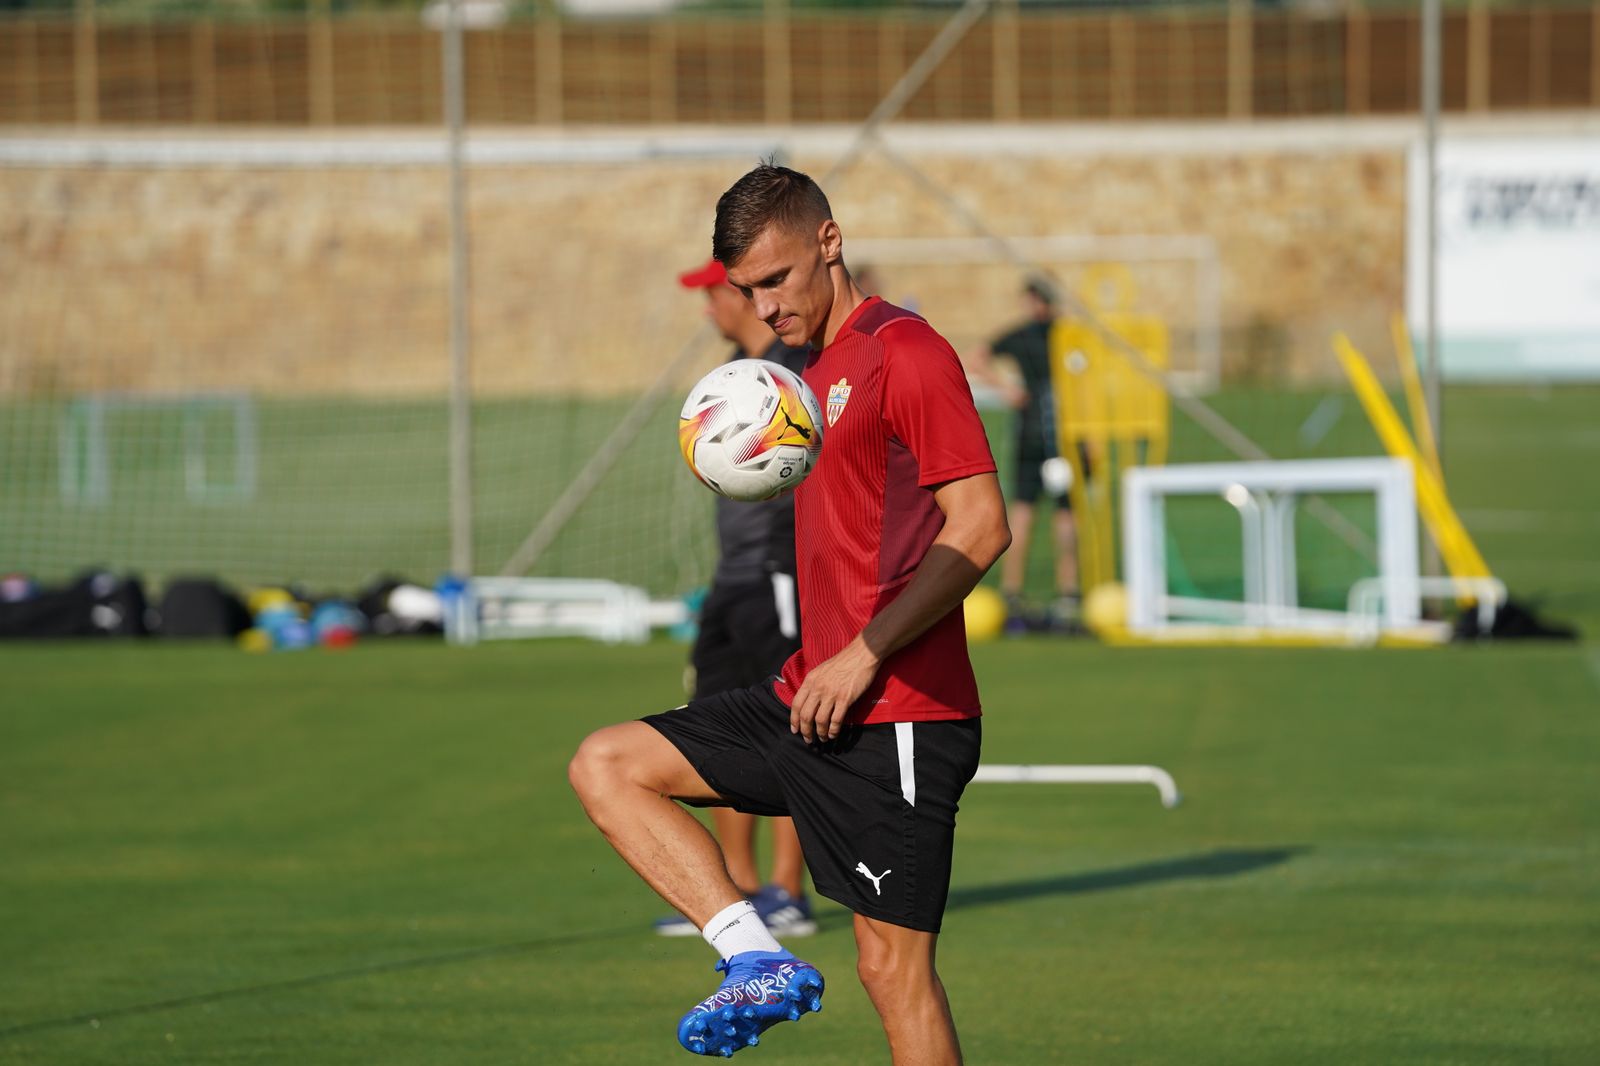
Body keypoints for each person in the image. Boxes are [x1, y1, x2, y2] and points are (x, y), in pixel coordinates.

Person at [569, 163, 1010, 1063]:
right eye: (748, 290)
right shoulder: (802, 373)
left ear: (830, 243)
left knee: (892, 972)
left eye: (777, 279)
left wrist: (862, 655)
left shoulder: (907, 351)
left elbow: (983, 526)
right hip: (809, 699)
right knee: (608, 765)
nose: (765, 306)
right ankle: (754, 960)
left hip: (902, 719)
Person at [651, 256, 815, 939]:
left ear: (739, 294)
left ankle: (789, 891)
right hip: (733, 578)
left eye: (710, 296)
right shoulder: (732, 377)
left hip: (782, 574)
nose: (707, 311)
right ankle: (737, 890)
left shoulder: (789, 374)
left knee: (789, 729)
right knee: (716, 725)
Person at [965, 277, 1080, 630]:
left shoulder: (1052, 335)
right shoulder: (1060, 336)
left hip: (1053, 433)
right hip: (1050, 433)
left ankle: (1057, 590)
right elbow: (977, 359)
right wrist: (1008, 389)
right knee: (1039, 512)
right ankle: (1047, 591)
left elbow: (977, 358)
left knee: (1055, 513)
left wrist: (1008, 390)